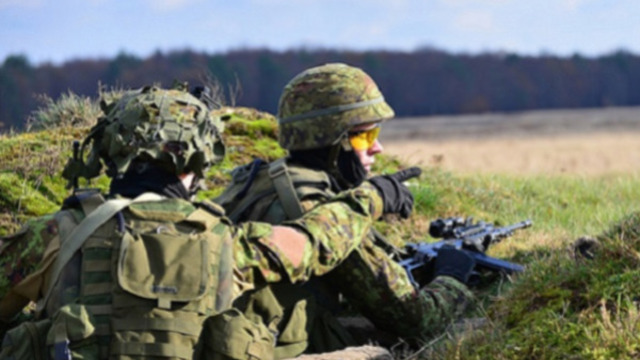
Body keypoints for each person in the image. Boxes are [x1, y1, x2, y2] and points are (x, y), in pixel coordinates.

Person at [0, 85, 412, 360]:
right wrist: (374, 196)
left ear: (109, 152)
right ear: (195, 162)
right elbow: (316, 240)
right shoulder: (228, 244)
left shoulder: (53, 234)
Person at [215, 63, 476, 350]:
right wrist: (451, 277)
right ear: (335, 140)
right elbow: (417, 320)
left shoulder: (258, 179)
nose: (378, 148)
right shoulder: (320, 211)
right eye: (366, 136)